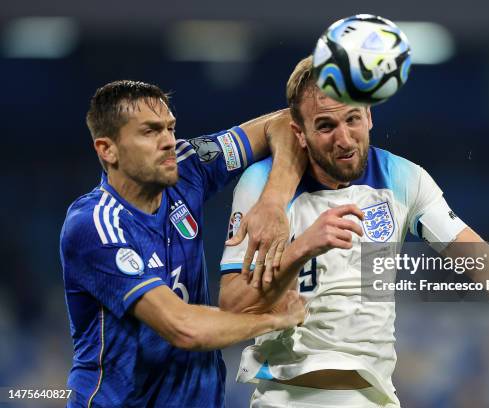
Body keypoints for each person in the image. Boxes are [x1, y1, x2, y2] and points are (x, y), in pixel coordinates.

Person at [218, 56, 489, 408]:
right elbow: (231, 305)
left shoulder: (404, 178)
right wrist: (302, 248)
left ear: (369, 115)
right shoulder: (262, 187)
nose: (344, 138)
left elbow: (477, 258)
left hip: (374, 396)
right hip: (287, 397)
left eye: (352, 119)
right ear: (298, 133)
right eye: (325, 126)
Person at [59, 80, 308, 407]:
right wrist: (275, 320)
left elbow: (284, 124)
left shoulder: (188, 166)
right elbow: (183, 328)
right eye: (149, 132)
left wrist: (274, 201)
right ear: (107, 149)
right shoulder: (96, 225)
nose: (168, 141)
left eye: (170, 128)